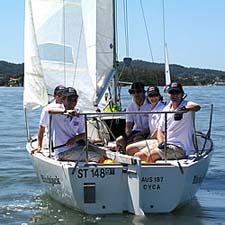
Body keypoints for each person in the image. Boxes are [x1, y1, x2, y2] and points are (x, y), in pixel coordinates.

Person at [141, 82, 201, 163]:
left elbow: (197, 106)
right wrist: (161, 143)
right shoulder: (166, 109)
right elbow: (160, 130)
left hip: (181, 148)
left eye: (177, 92)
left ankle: (148, 175)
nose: (174, 95)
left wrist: (183, 109)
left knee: (152, 155)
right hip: (167, 145)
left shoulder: (186, 104)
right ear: (168, 94)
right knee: (138, 155)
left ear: (182, 94)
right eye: (172, 92)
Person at [48, 87, 103, 162]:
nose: (73, 102)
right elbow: (50, 111)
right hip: (62, 151)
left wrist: (75, 139)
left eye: (75, 99)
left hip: (76, 147)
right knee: (96, 157)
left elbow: (84, 134)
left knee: (102, 153)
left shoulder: (79, 113)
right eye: (70, 99)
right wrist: (66, 111)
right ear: (63, 99)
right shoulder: (57, 109)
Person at [126, 86, 165, 159]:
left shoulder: (162, 109)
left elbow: (158, 130)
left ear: (159, 96)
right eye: (150, 96)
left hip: (158, 140)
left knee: (134, 152)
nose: (153, 98)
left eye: (155, 95)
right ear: (148, 97)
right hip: (153, 138)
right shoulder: (153, 109)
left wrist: (148, 138)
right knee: (129, 147)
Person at [115, 82, 151, 152]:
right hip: (136, 131)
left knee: (137, 139)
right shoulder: (130, 107)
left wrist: (135, 136)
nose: (136, 94)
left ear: (143, 92)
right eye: (133, 92)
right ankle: (126, 155)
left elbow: (152, 126)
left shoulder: (150, 106)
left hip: (148, 132)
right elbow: (128, 126)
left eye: (138, 91)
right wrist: (128, 135)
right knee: (119, 140)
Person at [31, 85, 65, 154]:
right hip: (55, 140)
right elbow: (42, 127)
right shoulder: (47, 108)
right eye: (59, 95)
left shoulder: (71, 106)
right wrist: (39, 145)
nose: (62, 97)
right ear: (54, 96)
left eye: (64, 95)